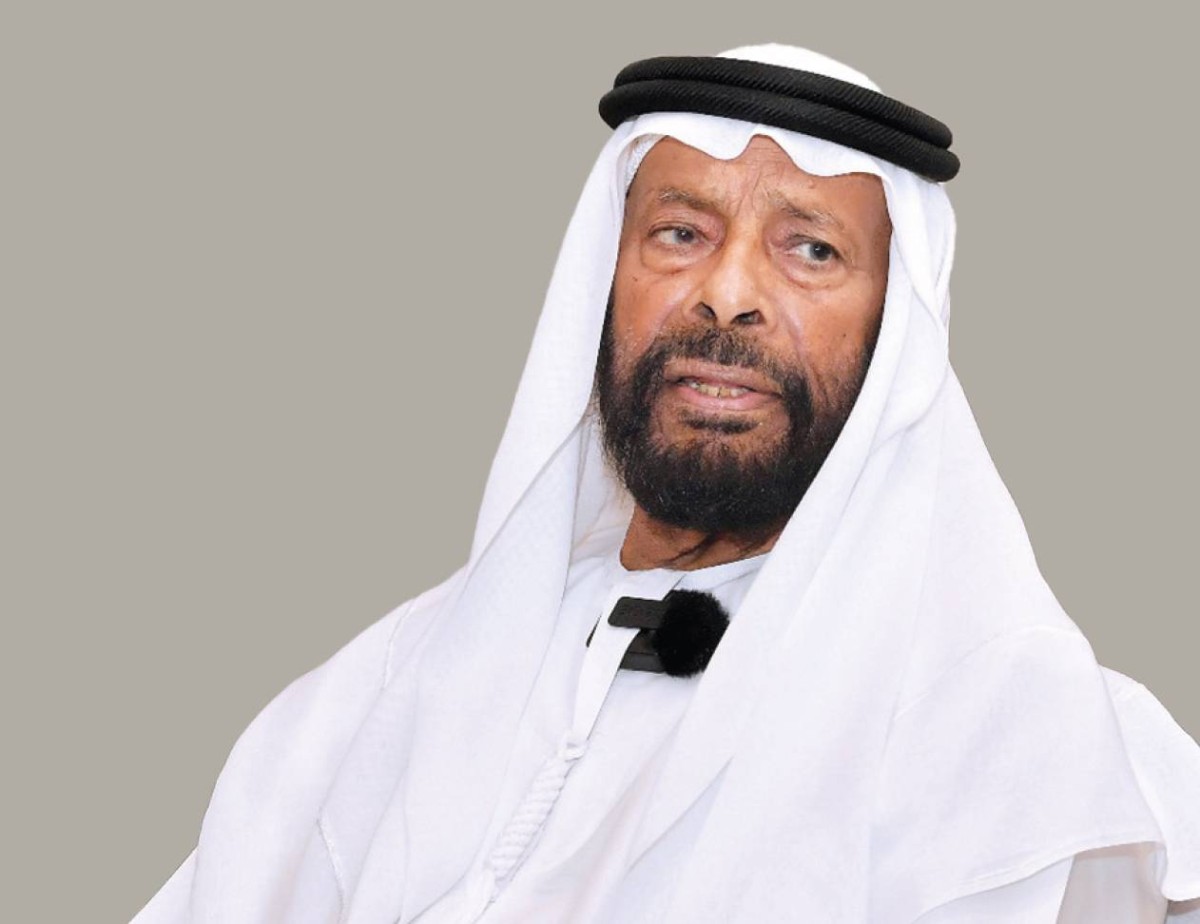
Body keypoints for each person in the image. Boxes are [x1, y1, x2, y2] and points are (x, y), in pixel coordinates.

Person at [134, 44, 1200, 923]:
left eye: (811, 250)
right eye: (681, 233)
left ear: (893, 341)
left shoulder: (1042, 748)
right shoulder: (374, 693)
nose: (727, 294)